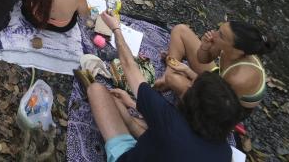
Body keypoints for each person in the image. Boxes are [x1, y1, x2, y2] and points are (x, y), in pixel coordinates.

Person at [78, 10, 241, 162]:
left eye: (191, 88)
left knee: (97, 90)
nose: (188, 87)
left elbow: (128, 65)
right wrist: (132, 104)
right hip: (164, 148)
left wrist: (116, 28)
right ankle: (129, 122)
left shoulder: (169, 120)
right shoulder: (225, 154)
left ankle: (127, 126)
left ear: (194, 106)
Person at [156, 21, 275, 111]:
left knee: (175, 81)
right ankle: (167, 75)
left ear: (238, 51)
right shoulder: (227, 46)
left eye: (221, 35)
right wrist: (204, 47)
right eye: (219, 30)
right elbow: (203, 59)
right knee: (180, 30)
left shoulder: (238, 78)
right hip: (217, 81)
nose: (214, 34)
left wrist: (187, 71)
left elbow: (212, 97)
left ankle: (169, 81)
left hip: (223, 106)